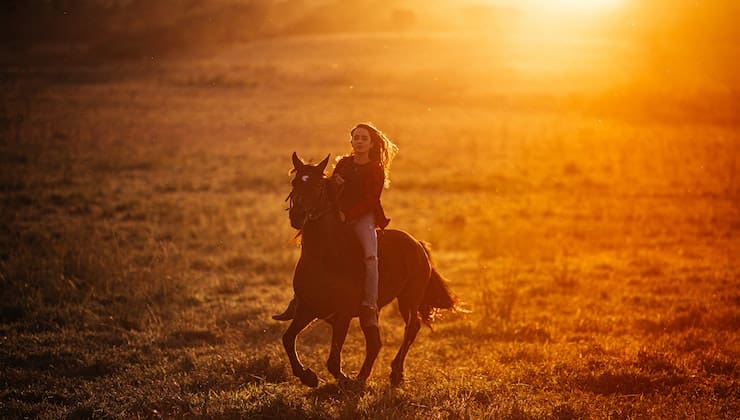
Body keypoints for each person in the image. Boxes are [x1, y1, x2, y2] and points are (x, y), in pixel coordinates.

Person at [273, 122, 398, 327]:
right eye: (356, 138)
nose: (359, 142)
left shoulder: (376, 170)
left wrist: (347, 213)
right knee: (312, 247)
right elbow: (329, 191)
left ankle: (368, 305)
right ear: (351, 141)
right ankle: (300, 299)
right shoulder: (343, 164)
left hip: (363, 218)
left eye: (363, 138)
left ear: (372, 144)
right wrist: (331, 184)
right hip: (338, 214)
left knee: (370, 256)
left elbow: (371, 200)